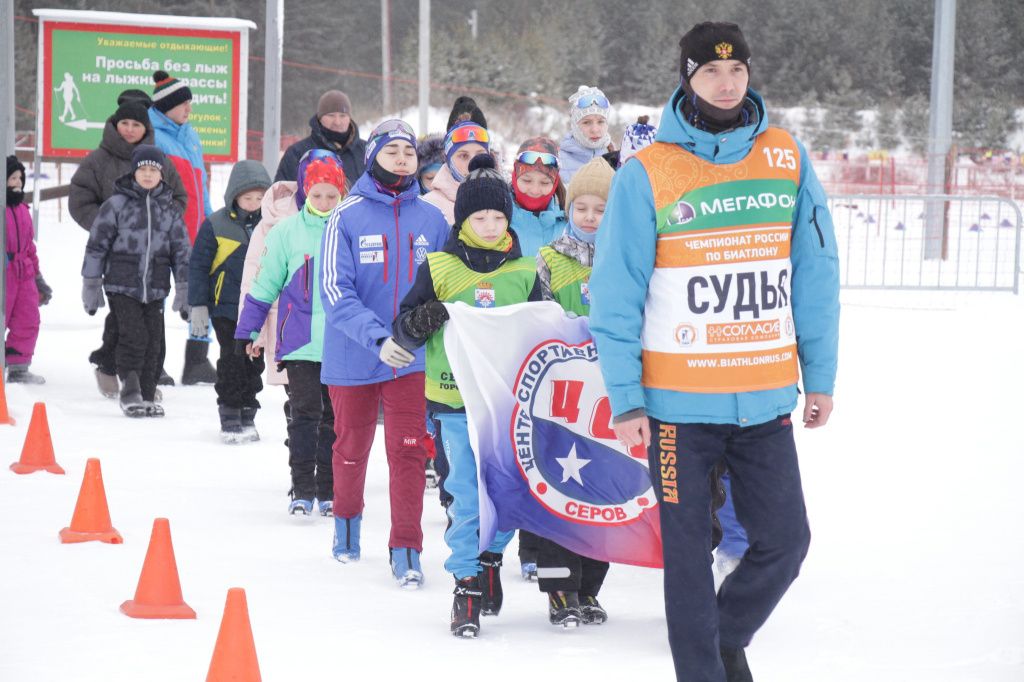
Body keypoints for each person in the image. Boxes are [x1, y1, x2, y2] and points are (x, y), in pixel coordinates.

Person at [589, 22, 839, 681]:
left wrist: (821, 375)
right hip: (677, 408)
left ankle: (722, 639)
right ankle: (704, 669)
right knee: (688, 557)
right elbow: (615, 296)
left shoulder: (786, 157)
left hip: (764, 400)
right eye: (710, 73)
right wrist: (626, 398)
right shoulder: (648, 173)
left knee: (786, 543)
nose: (726, 83)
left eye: (737, 71)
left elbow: (816, 272)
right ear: (687, 78)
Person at [392, 154, 543, 637]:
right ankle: (465, 583)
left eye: (499, 217)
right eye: (480, 217)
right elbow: (405, 329)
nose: (491, 225)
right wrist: (422, 320)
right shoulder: (438, 267)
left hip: (506, 407)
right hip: (453, 401)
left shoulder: (524, 271)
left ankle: (491, 557)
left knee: (505, 493)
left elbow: (544, 332)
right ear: (463, 220)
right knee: (464, 497)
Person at [318, 120, 449, 588]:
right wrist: (378, 338)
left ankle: (406, 547)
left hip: (411, 359)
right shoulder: (345, 216)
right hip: (356, 356)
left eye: (408, 152)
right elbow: (335, 291)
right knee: (352, 446)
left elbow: (446, 286)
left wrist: (416, 334)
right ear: (373, 156)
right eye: (391, 150)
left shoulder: (432, 220)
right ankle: (347, 525)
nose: (401, 158)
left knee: (409, 452)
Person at [235, 151, 347, 515]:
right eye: (318, 195)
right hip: (298, 342)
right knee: (304, 414)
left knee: (335, 419)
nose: (325, 203)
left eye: (333, 196)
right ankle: (302, 486)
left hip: (340, 342)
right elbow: (265, 282)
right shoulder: (286, 232)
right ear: (306, 194)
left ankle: (329, 489)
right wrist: (249, 328)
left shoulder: (350, 229)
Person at [534, 157, 616, 628]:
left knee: (605, 492)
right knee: (560, 493)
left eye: (600, 209)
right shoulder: (548, 258)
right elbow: (535, 320)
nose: (589, 216)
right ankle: (559, 590)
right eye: (581, 206)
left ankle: (589, 588)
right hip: (563, 397)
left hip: (610, 396)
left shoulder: (625, 257)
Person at [69, 92, 187, 398]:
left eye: (137, 124)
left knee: (148, 331)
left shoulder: (159, 159)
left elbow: (179, 200)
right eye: (125, 123)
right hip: (118, 261)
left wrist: (154, 223)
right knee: (126, 326)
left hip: (154, 267)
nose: (130, 129)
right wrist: (115, 225)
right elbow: (80, 199)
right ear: (115, 124)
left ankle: (138, 378)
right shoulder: (99, 159)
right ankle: (120, 373)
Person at [81, 145, 191, 417]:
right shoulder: (116, 205)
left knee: (154, 341)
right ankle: (130, 391)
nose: (148, 174)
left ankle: (146, 391)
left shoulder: (169, 210)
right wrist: (92, 284)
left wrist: (186, 289)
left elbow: (182, 253)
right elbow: (96, 246)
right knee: (134, 337)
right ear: (134, 172)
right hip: (122, 285)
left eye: (153, 170)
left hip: (155, 288)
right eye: (143, 169)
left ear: (162, 175)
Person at [188, 161, 272, 443]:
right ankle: (230, 412)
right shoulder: (216, 224)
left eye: (260, 198)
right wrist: (197, 304)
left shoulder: (271, 225)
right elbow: (199, 265)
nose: (254, 203)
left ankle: (249, 410)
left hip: (259, 309)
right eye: (247, 197)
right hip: (225, 307)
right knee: (232, 361)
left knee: (253, 363)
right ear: (234, 195)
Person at [149, 69, 217, 386]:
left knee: (202, 293)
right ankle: (153, 363)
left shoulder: (190, 135)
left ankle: (197, 360)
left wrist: (211, 221)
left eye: (190, 103)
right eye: (183, 104)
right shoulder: (153, 138)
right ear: (166, 107)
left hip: (196, 231)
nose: (189, 109)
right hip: (164, 234)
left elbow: (199, 187)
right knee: (156, 298)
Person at [4, 156, 47, 384]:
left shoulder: (22, 208)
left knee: (27, 319)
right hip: (5, 273)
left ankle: (19, 367)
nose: (18, 182)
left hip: (24, 273)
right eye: (12, 178)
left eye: (20, 177)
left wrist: (38, 278)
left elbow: (29, 247)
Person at [275, 90, 366, 185]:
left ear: (349, 118)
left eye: (343, 116)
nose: (337, 122)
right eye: (331, 116)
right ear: (319, 118)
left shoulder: (366, 151)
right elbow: (282, 194)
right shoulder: (297, 153)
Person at [422, 121, 492, 225]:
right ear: (448, 160)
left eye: (479, 154)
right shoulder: (429, 206)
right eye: (463, 156)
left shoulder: (502, 200)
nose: (473, 162)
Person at [510, 137, 567, 257]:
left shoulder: (568, 220)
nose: (535, 191)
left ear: (555, 182)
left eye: (545, 183)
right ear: (514, 177)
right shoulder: (498, 217)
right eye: (527, 180)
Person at [558, 85, 614, 185]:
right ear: (575, 125)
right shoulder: (558, 161)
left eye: (601, 122)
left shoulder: (617, 160)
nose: (595, 130)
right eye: (586, 122)